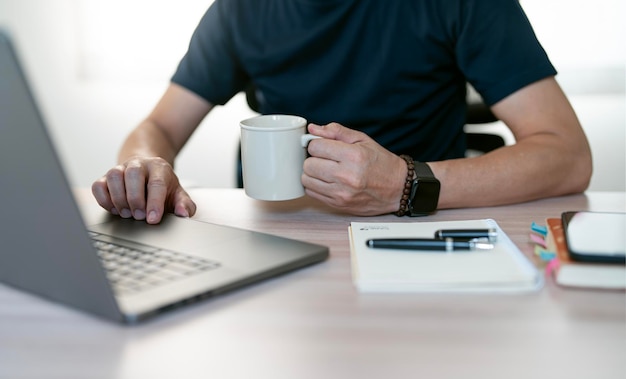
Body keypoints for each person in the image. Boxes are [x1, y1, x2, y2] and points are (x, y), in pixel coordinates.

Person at [92, 0, 592, 224]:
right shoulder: (240, 9)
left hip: (416, 232)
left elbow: (567, 155)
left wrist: (405, 184)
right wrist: (145, 164)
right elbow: (157, 127)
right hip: (279, 238)